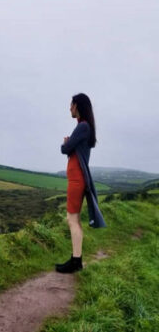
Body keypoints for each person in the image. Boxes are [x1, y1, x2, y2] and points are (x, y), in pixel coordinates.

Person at [56, 93, 106, 274]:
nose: (69, 108)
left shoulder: (82, 126)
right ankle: (76, 259)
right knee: (74, 220)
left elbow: (66, 149)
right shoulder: (83, 127)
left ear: (77, 106)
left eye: (71, 104)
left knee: (72, 220)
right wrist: (69, 144)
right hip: (76, 178)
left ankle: (76, 261)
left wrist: (65, 144)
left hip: (77, 179)